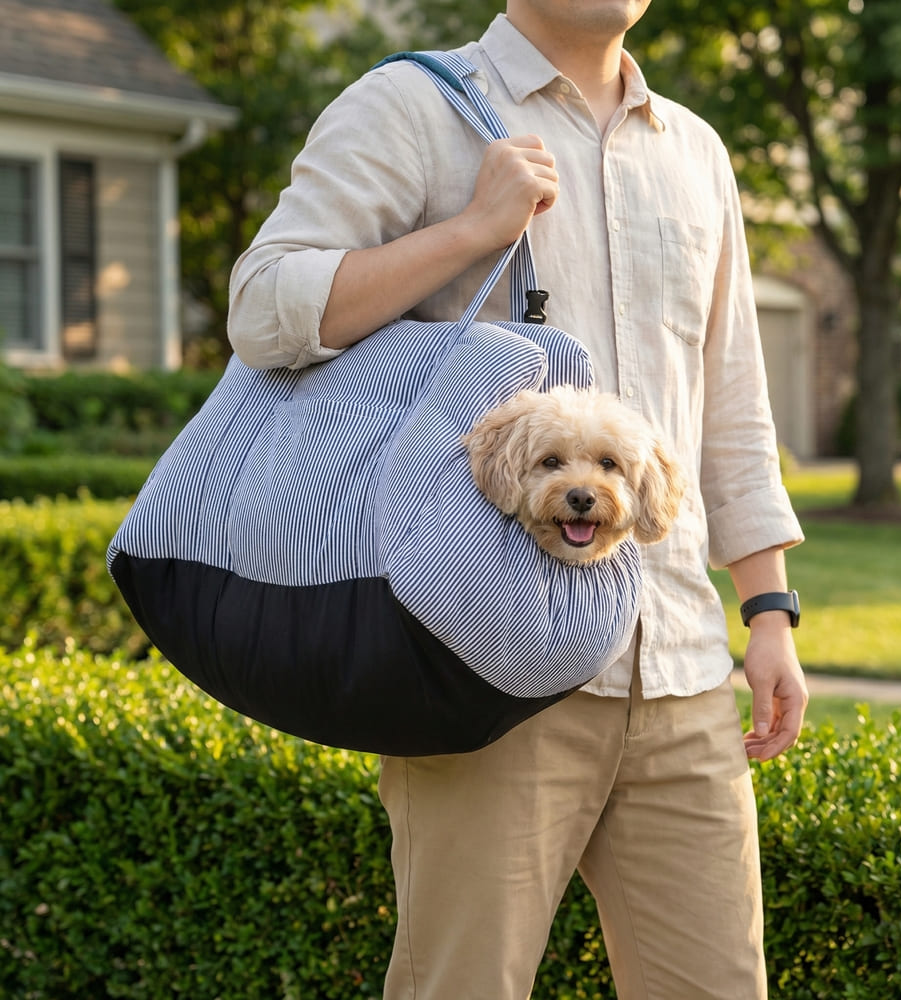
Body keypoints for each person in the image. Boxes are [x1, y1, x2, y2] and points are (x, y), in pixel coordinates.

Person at [228, 1, 809, 996]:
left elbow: (730, 400)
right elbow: (263, 308)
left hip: (673, 669)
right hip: (483, 668)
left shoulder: (695, 152)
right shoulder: (413, 107)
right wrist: (469, 231)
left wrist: (768, 609)